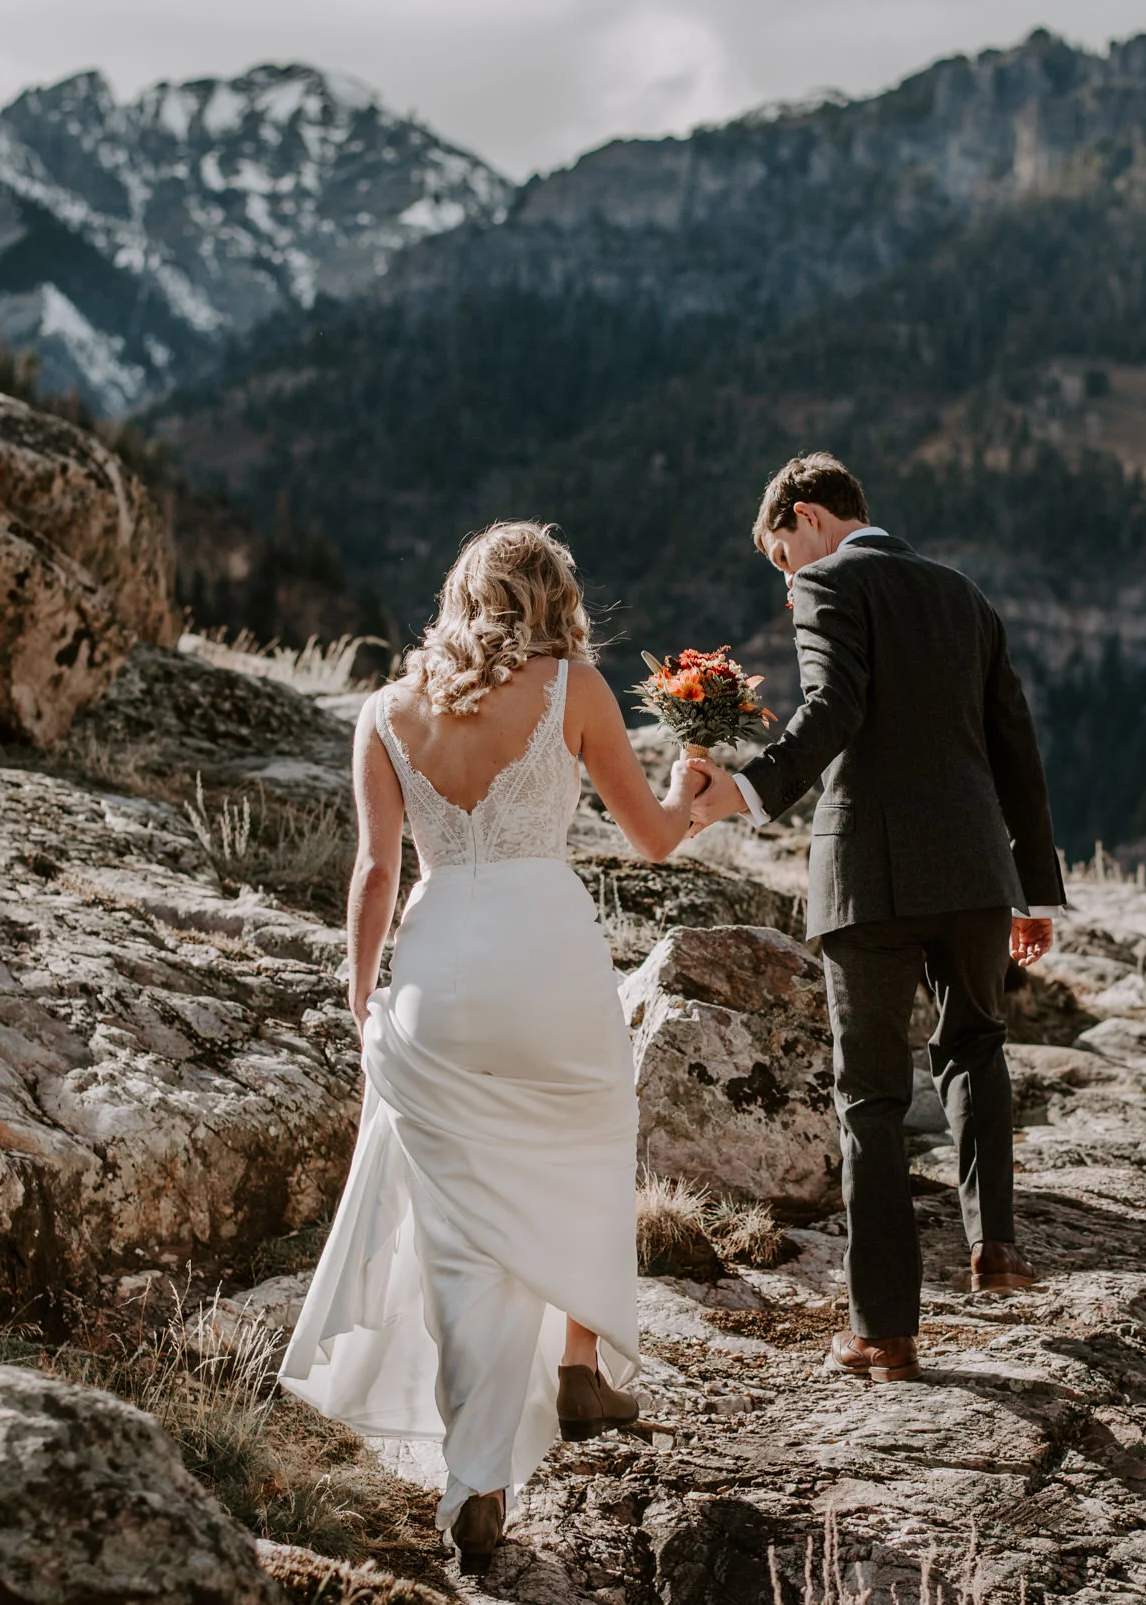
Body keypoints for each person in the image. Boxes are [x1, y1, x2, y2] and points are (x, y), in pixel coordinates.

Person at [278, 521, 705, 1576]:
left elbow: (375, 872)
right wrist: (703, 792)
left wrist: (358, 988)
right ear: (554, 599)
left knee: (462, 1231)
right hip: (547, 962)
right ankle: (580, 1360)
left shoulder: (383, 711)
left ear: (461, 594)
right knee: (589, 1146)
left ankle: (477, 1480)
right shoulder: (575, 690)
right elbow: (650, 838)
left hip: (434, 975)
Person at [687, 453, 1066, 1384]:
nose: (786, 583)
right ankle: (998, 1249)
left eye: (782, 557)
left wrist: (742, 790)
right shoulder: (963, 594)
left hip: (871, 878)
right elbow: (1014, 739)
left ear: (809, 519)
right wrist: (1036, 887)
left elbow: (835, 708)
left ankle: (885, 1332)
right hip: (977, 872)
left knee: (871, 1101)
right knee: (977, 1045)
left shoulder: (827, 581)